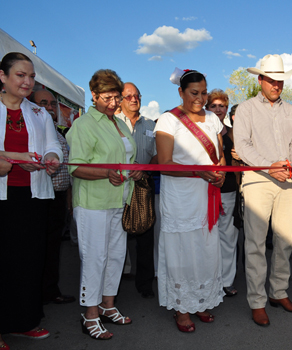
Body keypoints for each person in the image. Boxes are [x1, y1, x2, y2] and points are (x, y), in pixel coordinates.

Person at [233, 54, 292, 327]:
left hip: (287, 180)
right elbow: (241, 145)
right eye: (272, 80)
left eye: (280, 80)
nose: (276, 85)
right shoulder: (246, 109)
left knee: (285, 240)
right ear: (260, 80)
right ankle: (257, 301)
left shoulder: (291, 110)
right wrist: (268, 167)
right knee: (255, 242)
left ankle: (278, 292)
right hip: (257, 180)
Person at [67, 69, 142, 340]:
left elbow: (127, 157)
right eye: (107, 98)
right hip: (92, 203)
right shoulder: (84, 124)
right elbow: (75, 167)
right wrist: (105, 173)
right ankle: (89, 315)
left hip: (119, 199)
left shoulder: (120, 124)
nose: (112, 103)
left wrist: (134, 170)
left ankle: (108, 305)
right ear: (95, 96)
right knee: (94, 258)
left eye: (116, 98)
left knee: (116, 255)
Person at [155, 69, 226, 333]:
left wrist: (219, 175)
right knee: (182, 251)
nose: (200, 98)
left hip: (207, 194)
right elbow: (164, 164)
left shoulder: (213, 120)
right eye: (194, 93)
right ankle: (181, 307)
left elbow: (220, 157)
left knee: (206, 250)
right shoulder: (168, 120)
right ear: (180, 92)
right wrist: (199, 171)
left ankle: (201, 301)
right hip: (180, 197)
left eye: (204, 92)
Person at [0, 52, 62, 349]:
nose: (27, 81)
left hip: (32, 196)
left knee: (27, 261)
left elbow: (52, 146)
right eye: (20, 75)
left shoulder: (38, 113)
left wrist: (51, 158)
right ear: (3, 77)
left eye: (31, 76)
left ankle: (24, 322)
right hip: (2, 197)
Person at [31, 89, 75, 305]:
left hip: (57, 199)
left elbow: (66, 169)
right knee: (36, 249)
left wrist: (68, 199)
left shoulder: (58, 134)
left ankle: (50, 291)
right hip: (37, 199)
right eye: (43, 103)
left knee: (53, 248)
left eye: (52, 104)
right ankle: (34, 295)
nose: (49, 107)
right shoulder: (31, 132)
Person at [116, 82, 157, 299]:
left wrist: (145, 168)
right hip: (116, 186)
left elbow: (159, 156)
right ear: (120, 99)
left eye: (137, 95)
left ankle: (145, 284)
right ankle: (113, 286)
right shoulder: (111, 123)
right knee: (116, 237)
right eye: (128, 96)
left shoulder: (151, 125)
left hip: (142, 186)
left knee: (145, 236)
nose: (134, 99)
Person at [205, 88, 239, 297]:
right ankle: (209, 281)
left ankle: (227, 280)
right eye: (213, 105)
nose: (218, 109)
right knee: (207, 237)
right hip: (204, 190)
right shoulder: (201, 129)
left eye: (222, 106)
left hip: (228, 191)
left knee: (228, 237)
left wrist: (239, 155)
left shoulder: (233, 132)